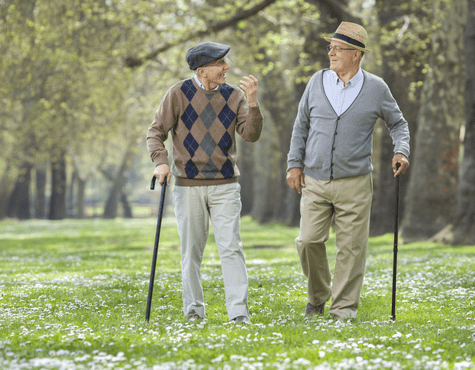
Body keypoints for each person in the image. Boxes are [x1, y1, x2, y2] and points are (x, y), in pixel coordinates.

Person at [286, 22, 410, 320]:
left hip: (355, 182)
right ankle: (318, 296)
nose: (331, 52)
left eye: (337, 48)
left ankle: (342, 310)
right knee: (308, 241)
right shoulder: (317, 81)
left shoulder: (377, 88)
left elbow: (398, 123)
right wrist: (294, 164)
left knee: (351, 249)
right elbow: (301, 125)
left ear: (355, 54)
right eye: (330, 47)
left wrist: (401, 150)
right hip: (314, 180)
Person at [147, 41, 263, 324]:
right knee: (191, 252)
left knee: (231, 248)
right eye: (220, 63)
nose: (227, 67)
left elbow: (250, 134)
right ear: (202, 70)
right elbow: (155, 132)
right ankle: (194, 312)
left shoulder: (234, 95)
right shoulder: (178, 93)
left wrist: (253, 103)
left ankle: (238, 313)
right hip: (188, 186)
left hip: (225, 185)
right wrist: (161, 161)